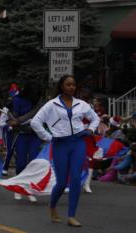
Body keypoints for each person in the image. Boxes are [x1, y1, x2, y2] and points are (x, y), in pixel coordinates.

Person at [31, 75, 100, 227]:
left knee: (75, 179)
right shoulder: (51, 104)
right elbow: (35, 122)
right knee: (62, 182)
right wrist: (49, 137)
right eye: (68, 84)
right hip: (60, 145)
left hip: (78, 143)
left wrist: (90, 129)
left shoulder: (82, 104)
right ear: (62, 86)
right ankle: (52, 206)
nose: (72, 87)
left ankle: (71, 216)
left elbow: (95, 119)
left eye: (73, 85)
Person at [8, 80, 44, 202]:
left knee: (33, 162)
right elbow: (13, 115)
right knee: (21, 163)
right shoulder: (17, 100)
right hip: (21, 134)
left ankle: (29, 189)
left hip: (35, 134)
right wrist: (12, 119)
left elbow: (36, 113)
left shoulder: (39, 100)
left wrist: (18, 120)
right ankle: (18, 187)